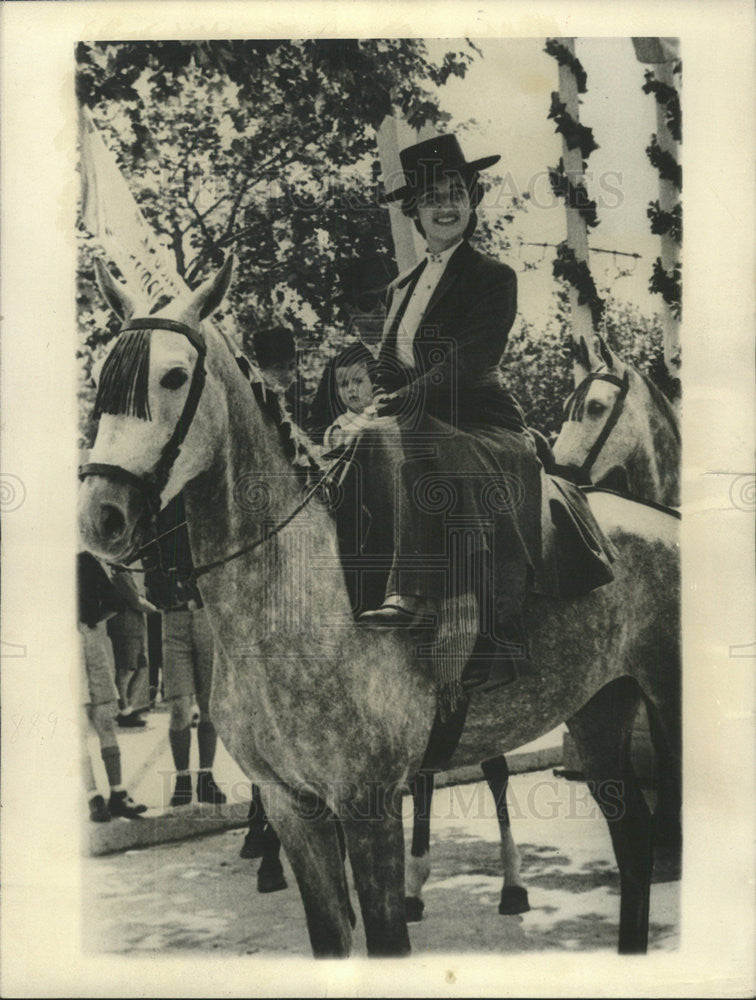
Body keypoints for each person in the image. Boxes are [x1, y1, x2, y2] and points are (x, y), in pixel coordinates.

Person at [354, 134, 547, 682]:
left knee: (416, 438)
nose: (446, 205)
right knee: (355, 448)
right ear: (414, 211)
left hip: (481, 419)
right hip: (413, 414)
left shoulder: (493, 277)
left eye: (456, 192)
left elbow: (474, 356)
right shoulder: (401, 287)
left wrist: (405, 399)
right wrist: (374, 399)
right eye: (434, 195)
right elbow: (389, 365)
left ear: (472, 200)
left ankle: (426, 600)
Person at [143, 493, 227, 808]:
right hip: (173, 618)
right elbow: (147, 561)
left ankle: (206, 777)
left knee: (208, 704)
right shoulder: (155, 507)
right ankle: (182, 779)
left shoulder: (202, 504)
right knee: (178, 706)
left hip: (204, 615)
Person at [78, 551, 148, 822]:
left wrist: (90, 623)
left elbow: (114, 601)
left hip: (88, 637)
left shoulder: (84, 558)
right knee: (77, 725)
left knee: (102, 719)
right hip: (70, 641)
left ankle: (115, 795)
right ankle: (93, 797)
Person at [107, 568, 156, 727]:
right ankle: (124, 711)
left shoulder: (125, 576)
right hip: (125, 629)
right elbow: (136, 601)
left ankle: (128, 709)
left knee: (141, 669)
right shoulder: (121, 576)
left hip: (134, 628)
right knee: (126, 669)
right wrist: (154, 609)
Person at [322, 342, 378, 452]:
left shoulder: (380, 413)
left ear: (373, 382)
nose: (351, 389)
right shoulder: (340, 423)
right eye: (343, 384)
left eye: (358, 382)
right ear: (337, 392)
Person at [251, 325, 309, 429]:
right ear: (262, 371)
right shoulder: (253, 401)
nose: (288, 374)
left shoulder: (302, 411)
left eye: (291, 367)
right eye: (279, 367)